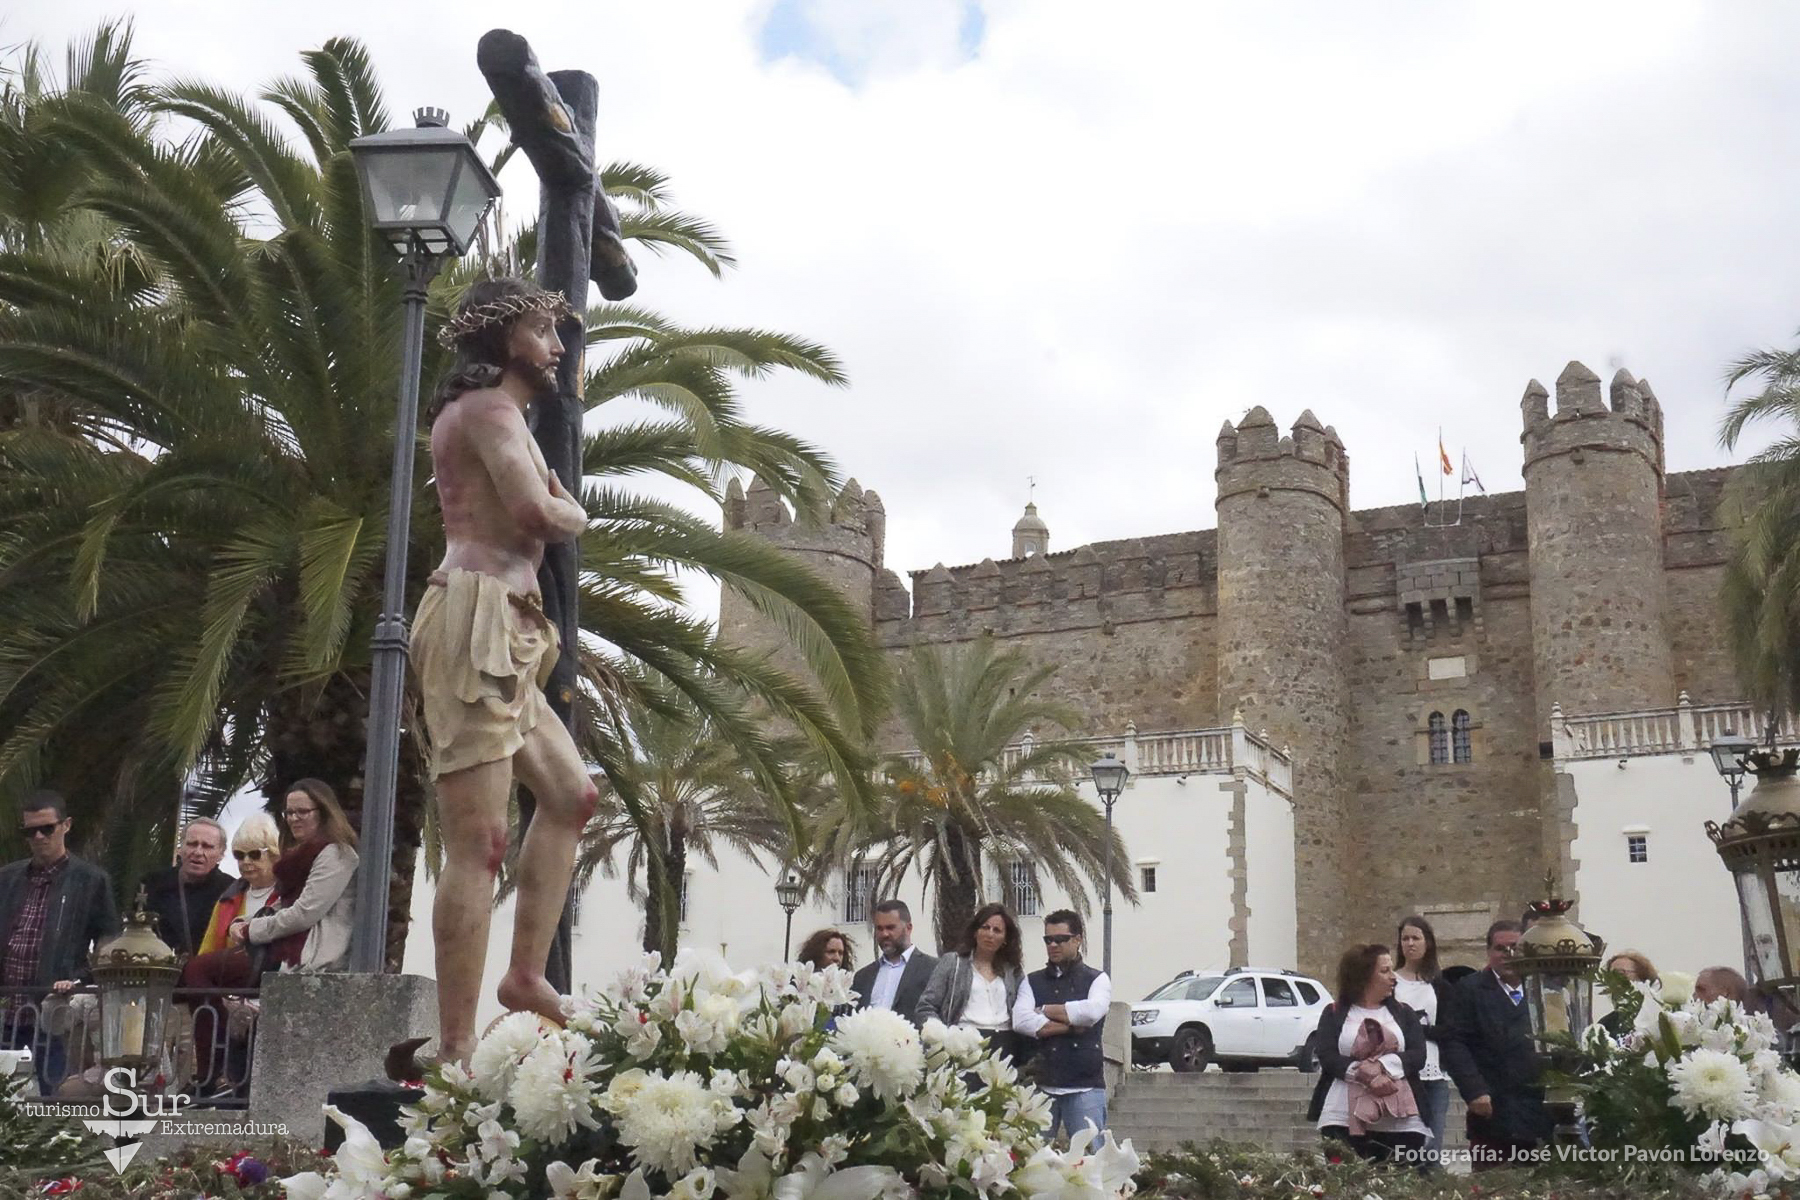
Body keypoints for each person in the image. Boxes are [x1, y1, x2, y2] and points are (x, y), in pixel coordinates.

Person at [394, 278, 601, 1074]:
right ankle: (453, 1046)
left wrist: (557, 500)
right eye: (543, 331)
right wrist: (574, 511)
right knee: (478, 841)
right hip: (474, 619)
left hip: (510, 626)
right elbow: (538, 511)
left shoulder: (500, 416)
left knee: (572, 794)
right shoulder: (488, 413)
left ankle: (523, 974)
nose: (556, 348)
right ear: (502, 336)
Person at [181, 779, 359, 1008]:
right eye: (289, 812)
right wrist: (242, 921)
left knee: (199, 970)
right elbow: (282, 904)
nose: (294, 818)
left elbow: (304, 912)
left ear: (323, 812)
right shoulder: (300, 855)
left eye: (302, 812)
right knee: (199, 969)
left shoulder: (336, 854)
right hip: (287, 947)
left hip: (307, 953)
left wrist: (250, 929)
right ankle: (227, 1036)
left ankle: (221, 1038)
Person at [0, 790, 120, 1094]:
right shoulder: (8, 877)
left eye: (47, 828)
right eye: (30, 831)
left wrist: (79, 980)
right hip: (5, 1004)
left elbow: (109, 946)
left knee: (54, 1099)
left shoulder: (90, 880)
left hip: (51, 1008)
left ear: (66, 825)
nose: (38, 836)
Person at [1306, 942, 1429, 1165]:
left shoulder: (1404, 1013)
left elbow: (1418, 1055)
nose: (1393, 977)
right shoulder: (1334, 1013)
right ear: (1362, 976)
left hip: (1401, 1119)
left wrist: (1382, 1067)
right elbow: (1327, 1055)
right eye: (1384, 971)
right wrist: (1365, 1074)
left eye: (1392, 969)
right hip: (1343, 1116)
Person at [185, 814, 282, 1094]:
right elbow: (208, 950)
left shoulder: (286, 894)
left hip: (267, 968)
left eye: (254, 854)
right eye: (240, 855)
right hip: (231, 978)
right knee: (194, 976)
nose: (246, 862)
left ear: (273, 855)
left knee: (197, 972)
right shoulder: (230, 896)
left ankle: (211, 1072)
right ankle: (210, 1073)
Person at [1451, 920, 1551, 1170]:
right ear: (1488, 952)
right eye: (1500, 948)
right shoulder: (1469, 989)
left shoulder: (1544, 990)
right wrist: (1474, 1090)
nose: (1508, 955)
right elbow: (1455, 1042)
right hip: (1491, 1107)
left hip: (1538, 1109)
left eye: (1514, 947)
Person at [1013, 909, 1112, 1149]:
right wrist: (1070, 1026)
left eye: (1061, 939)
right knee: (1031, 1158)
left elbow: (1090, 1012)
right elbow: (1020, 1020)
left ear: (1077, 940)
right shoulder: (1032, 981)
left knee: (1093, 1158)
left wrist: (1044, 1009)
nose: (1053, 945)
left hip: (1085, 1085)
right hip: (1042, 1084)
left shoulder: (1097, 979)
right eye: (1048, 939)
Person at [1391, 915, 1477, 1167]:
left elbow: (1451, 1028)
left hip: (1433, 1071)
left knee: (1431, 1148)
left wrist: (1421, 1030)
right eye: (1405, 938)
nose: (1410, 943)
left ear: (1427, 942)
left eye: (1415, 938)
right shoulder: (1392, 982)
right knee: (1404, 1146)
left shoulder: (1439, 985)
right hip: (1400, 1073)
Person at [916, 903, 1024, 1059]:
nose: (990, 934)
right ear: (975, 932)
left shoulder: (1013, 971)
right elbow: (925, 1006)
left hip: (1005, 1044)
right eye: (985, 927)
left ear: (1005, 939)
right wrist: (942, 1036)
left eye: (997, 930)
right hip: (964, 1044)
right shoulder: (953, 963)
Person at [140, 819, 231, 960]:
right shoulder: (152, 883)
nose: (198, 852)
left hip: (208, 976)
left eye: (207, 846)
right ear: (180, 848)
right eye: (192, 844)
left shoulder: (232, 889)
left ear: (221, 854)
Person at [851, 900, 937, 1024]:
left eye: (890, 928)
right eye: (879, 929)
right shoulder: (862, 977)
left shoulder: (932, 969)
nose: (884, 934)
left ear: (908, 928)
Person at [1597, 950, 1660, 1035]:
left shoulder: (1656, 1016)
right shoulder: (1606, 1024)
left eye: (1621, 973)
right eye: (1610, 974)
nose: (1614, 979)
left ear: (1641, 977)